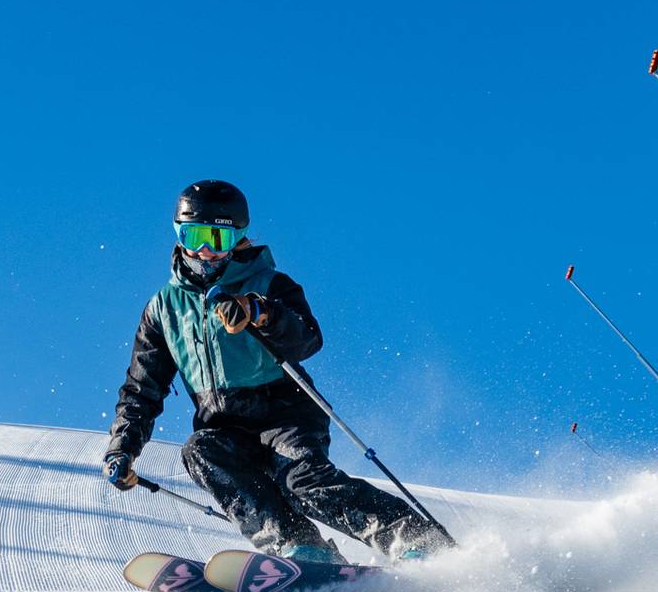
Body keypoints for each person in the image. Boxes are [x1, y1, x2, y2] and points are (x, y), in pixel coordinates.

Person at [102, 180, 454, 563]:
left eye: (216, 238)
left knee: (302, 483)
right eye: (194, 235)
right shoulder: (164, 309)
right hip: (223, 426)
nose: (204, 251)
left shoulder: (270, 283)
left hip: (286, 410)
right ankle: (299, 546)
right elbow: (142, 388)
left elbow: (307, 337)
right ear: (178, 234)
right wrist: (123, 447)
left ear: (238, 238)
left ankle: (416, 539)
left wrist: (260, 312)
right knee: (201, 452)